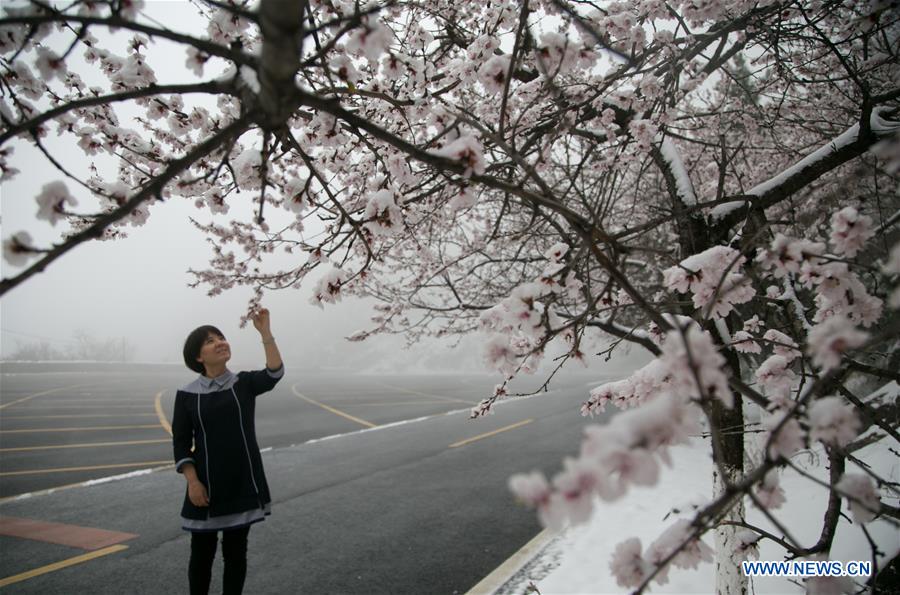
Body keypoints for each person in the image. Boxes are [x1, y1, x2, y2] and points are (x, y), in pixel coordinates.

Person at [172, 308, 284, 595]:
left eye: (221, 337)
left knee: (235, 555)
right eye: (210, 341)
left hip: (241, 482)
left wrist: (265, 333)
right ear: (199, 357)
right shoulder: (187, 395)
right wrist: (193, 483)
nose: (220, 342)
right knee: (201, 556)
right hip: (206, 486)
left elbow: (274, 373)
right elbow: (181, 442)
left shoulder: (243, 384)